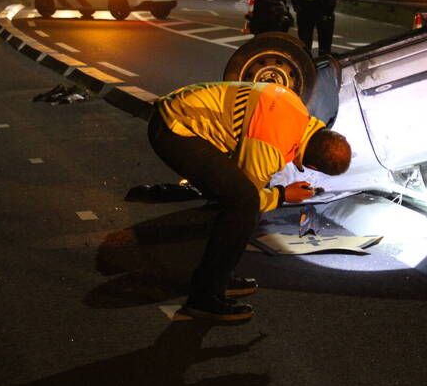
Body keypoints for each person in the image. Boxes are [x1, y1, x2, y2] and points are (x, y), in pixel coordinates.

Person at [148, 81, 352, 323]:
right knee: (242, 206)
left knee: (238, 200)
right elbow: (249, 199)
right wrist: (283, 195)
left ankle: (219, 277)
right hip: (174, 129)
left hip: (178, 109)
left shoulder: (297, 110)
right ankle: (203, 298)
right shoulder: (272, 144)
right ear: (314, 167)